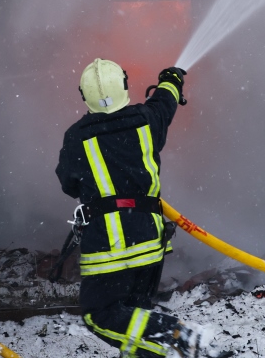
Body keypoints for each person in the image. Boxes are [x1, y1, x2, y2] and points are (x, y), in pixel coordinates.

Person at [56, 59, 227, 358]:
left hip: (108, 248)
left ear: (85, 96)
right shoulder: (146, 119)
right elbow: (165, 101)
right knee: (135, 314)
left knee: (101, 315)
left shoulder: (76, 137)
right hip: (149, 241)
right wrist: (171, 79)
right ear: (124, 86)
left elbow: (69, 185)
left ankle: (177, 335)